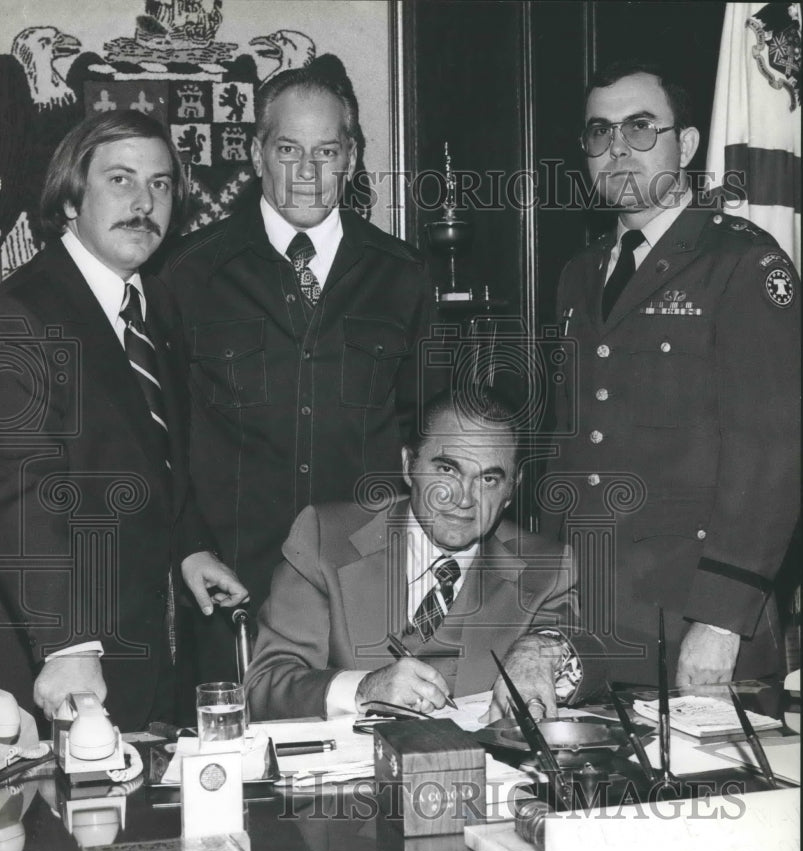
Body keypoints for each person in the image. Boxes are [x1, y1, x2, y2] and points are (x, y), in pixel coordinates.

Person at [161, 56, 437, 684]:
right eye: (288, 149)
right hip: (232, 587)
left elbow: (426, 432)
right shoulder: (189, 274)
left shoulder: (402, 274)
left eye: (327, 151)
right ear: (256, 155)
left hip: (364, 586)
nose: (308, 174)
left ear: (352, 156)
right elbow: (166, 438)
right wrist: (190, 545)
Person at [542, 60, 800, 688]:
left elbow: (770, 455)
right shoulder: (579, 274)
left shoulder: (742, 264)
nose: (617, 149)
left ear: (685, 145)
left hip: (699, 621)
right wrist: (547, 604)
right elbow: (569, 446)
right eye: (599, 133)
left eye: (639, 128)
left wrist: (721, 620)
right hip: (592, 616)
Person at [0, 110, 247, 732]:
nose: (144, 203)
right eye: (121, 180)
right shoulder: (20, 313)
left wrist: (188, 546)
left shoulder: (154, 302)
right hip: (61, 663)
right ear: (69, 198)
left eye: (161, 185)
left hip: (147, 646)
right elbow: (21, 491)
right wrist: (68, 647)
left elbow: (157, 453)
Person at [246, 387, 584, 722]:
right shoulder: (326, 538)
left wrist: (541, 650)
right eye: (447, 470)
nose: (464, 499)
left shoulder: (546, 567)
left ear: (512, 488)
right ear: (409, 465)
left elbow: (590, 656)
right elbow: (264, 687)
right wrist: (363, 689)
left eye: (489, 479)